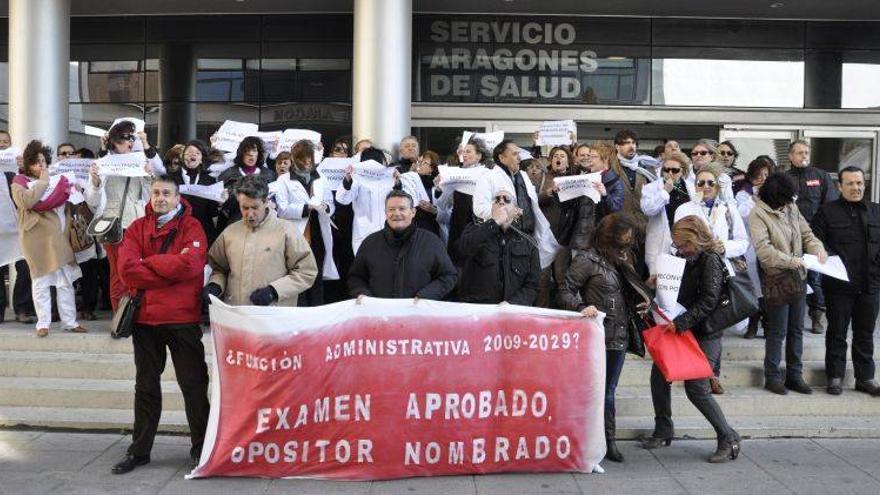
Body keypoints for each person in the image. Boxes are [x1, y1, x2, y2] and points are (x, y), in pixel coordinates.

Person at [112, 175, 210, 474]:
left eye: (166, 193)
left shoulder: (192, 227)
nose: (160, 198)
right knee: (145, 387)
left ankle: (201, 447)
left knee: (193, 386)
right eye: (156, 192)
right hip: (145, 320)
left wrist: (148, 262)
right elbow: (127, 270)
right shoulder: (137, 227)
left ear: (178, 197)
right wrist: (167, 267)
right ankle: (139, 451)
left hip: (182, 319)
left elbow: (190, 264)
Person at [641, 215, 741, 464]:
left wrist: (681, 323)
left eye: (683, 245)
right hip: (683, 327)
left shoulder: (710, 261)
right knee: (659, 375)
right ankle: (663, 429)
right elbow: (678, 290)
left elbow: (709, 299)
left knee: (697, 388)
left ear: (695, 239)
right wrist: (657, 284)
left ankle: (727, 438)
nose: (680, 249)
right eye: (677, 245)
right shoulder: (685, 258)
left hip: (704, 331)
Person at [559, 212, 650, 463]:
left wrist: (643, 298)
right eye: (623, 239)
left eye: (629, 240)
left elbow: (629, 291)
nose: (628, 244)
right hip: (595, 334)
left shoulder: (624, 258)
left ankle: (608, 440)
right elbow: (566, 288)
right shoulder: (587, 260)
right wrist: (579, 307)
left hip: (618, 334)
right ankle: (591, 439)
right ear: (609, 237)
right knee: (594, 390)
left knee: (609, 390)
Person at [749, 173, 827, 395]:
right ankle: (772, 376)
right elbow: (764, 251)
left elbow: (807, 234)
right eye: (784, 199)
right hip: (776, 278)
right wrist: (792, 261)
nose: (788, 202)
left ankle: (795, 375)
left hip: (798, 277)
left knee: (796, 329)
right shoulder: (758, 213)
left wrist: (817, 248)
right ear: (775, 198)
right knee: (777, 330)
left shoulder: (791, 207)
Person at [677, 164, 751, 394]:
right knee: (697, 318)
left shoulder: (729, 208)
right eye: (701, 182)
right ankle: (698, 370)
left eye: (711, 183)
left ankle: (711, 373)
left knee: (715, 321)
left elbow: (742, 242)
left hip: (719, 269)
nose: (706, 187)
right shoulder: (685, 208)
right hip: (691, 271)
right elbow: (677, 239)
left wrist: (724, 247)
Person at [811, 167, 880, 397]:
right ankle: (835, 377)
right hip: (839, 286)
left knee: (865, 333)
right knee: (837, 333)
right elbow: (815, 242)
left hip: (870, 285)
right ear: (840, 186)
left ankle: (865, 378)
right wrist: (828, 258)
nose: (856, 187)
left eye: (859, 183)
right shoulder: (827, 212)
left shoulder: (876, 211)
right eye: (850, 183)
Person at [10, 140, 87, 337]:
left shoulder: (58, 180)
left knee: (65, 281)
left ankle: (69, 322)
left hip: (59, 238)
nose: (41, 165)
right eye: (36, 162)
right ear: (27, 164)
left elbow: (71, 205)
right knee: (40, 281)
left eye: (43, 161)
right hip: (35, 238)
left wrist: (74, 190)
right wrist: (44, 181)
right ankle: (43, 323)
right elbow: (26, 201)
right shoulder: (19, 182)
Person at [206, 175, 317, 307]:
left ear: (265, 202)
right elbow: (218, 268)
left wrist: (274, 291)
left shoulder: (287, 231)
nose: (250, 214)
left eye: (255, 207)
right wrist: (215, 285)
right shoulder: (230, 233)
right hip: (236, 314)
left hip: (273, 316)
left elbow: (306, 271)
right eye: (244, 208)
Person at [89, 119, 165, 310]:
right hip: (112, 224)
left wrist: (148, 177)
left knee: (137, 271)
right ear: (113, 140)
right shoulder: (102, 162)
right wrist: (96, 182)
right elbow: (92, 199)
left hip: (136, 224)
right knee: (118, 273)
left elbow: (149, 198)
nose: (130, 141)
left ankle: (134, 314)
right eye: (124, 137)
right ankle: (119, 318)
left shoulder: (140, 161)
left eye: (132, 137)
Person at [348, 190, 457, 299]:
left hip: (418, 313)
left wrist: (425, 295)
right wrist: (364, 295)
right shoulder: (370, 243)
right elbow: (356, 277)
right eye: (391, 209)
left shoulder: (431, 242)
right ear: (385, 213)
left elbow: (448, 276)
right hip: (379, 313)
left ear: (413, 212)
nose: (396, 213)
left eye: (402, 209)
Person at [473, 140, 560, 270]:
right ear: (502, 158)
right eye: (514, 154)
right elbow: (479, 209)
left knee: (531, 281)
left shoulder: (523, 176)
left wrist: (547, 194)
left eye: (518, 154)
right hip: (505, 241)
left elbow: (531, 202)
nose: (519, 158)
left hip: (528, 240)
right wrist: (506, 212)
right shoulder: (487, 177)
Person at [271, 140, 337, 306]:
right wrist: (306, 208)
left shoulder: (321, 178)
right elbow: (282, 209)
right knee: (298, 277)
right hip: (298, 234)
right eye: (303, 160)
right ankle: (299, 312)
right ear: (294, 159)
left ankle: (316, 313)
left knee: (317, 275)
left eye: (310, 159)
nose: (307, 163)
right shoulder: (283, 180)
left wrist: (326, 207)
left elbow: (331, 203)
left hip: (318, 233)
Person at [786, 139, 838, 335]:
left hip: (815, 236)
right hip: (790, 237)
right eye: (799, 153)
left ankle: (817, 316)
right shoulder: (784, 178)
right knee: (791, 276)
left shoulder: (821, 176)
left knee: (815, 277)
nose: (804, 156)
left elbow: (831, 206)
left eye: (806, 152)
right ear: (790, 156)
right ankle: (792, 317)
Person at [456, 189, 540, 305]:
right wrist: (494, 223)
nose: (501, 202)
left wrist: (512, 304)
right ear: (491, 208)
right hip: (478, 311)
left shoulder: (528, 242)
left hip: (511, 313)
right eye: (496, 200)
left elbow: (532, 285)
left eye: (507, 200)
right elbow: (461, 250)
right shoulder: (475, 230)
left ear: (517, 210)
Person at [735, 157, 776, 339]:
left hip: (771, 246)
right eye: (759, 175)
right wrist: (755, 199)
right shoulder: (744, 193)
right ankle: (753, 322)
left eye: (766, 175)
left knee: (769, 287)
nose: (762, 179)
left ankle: (768, 323)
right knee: (753, 286)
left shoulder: (777, 194)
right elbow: (742, 214)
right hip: (751, 246)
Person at [0, 132, 37, 324]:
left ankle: (22, 309)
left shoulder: (19, 172)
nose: (2, 146)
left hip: (19, 227)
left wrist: (23, 169)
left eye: (6, 142)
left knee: (25, 266)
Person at [336, 147, 400, 254]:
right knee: (367, 266)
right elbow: (343, 199)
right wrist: (348, 180)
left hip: (388, 230)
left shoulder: (389, 177)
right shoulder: (356, 178)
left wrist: (398, 183)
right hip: (365, 232)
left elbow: (401, 200)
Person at [435, 138, 491, 260]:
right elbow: (444, 204)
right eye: (463, 152)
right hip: (458, 227)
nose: (464, 154)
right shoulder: (454, 173)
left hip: (478, 226)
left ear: (479, 156)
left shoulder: (488, 174)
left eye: (469, 151)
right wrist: (439, 187)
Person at [641, 151, 696, 274]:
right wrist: (665, 192)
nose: (670, 173)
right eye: (666, 170)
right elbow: (648, 209)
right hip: (661, 244)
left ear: (683, 171)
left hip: (686, 244)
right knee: (662, 286)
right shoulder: (651, 188)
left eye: (675, 170)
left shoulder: (691, 189)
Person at [217, 136, 277, 232]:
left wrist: (273, 203)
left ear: (259, 154)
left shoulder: (270, 175)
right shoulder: (228, 175)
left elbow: (277, 200)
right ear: (242, 154)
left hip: (264, 226)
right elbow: (222, 206)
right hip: (236, 225)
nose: (251, 155)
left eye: (254, 151)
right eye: (247, 152)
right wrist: (223, 200)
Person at [169, 140, 222, 246]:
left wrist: (220, 202)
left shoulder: (209, 180)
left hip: (203, 230)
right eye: (189, 152)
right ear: (182, 157)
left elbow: (213, 212)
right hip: (177, 230)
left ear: (201, 159)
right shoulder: (171, 178)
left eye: (197, 153)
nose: (193, 154)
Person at [609, 129, 657, 225]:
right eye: (626, 143)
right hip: (619, 222)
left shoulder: (645, 166)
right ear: (617, 147)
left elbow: (655, 193)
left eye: (633, 143)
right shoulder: (610, 166)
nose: (631, 146)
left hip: (644, 221)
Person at [402, 150, 441, 236]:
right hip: (410, 229)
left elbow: (446, 212)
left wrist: (433, 210)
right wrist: (410, 173)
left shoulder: (437, 186)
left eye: (424, 162)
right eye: (419, 161)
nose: (419, 164)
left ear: (432, 168)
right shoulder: (409, 180)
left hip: (429, 230)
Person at [587, 141, 625, 223]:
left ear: (606, 159)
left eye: (593, 157)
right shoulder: (585, 178)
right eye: (589, 156)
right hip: (584, 232)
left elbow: (616, 210)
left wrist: (605, 196)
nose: (589, 159)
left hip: (604, 231)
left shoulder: (616, 182)